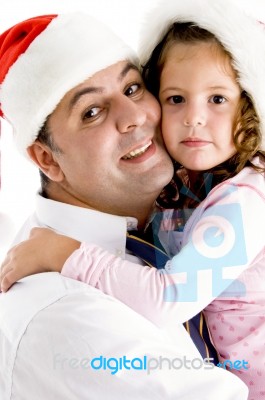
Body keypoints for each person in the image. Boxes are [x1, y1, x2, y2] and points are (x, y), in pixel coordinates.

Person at [2, 1, 264, 399]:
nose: (135, 116)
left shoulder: (211, 197)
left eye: (132, 88)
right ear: (45, 159)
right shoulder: (70, 313)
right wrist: (65, 254)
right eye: (92, 111)